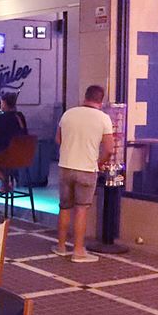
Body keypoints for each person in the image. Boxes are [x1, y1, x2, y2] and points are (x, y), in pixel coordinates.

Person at [55, 84, 114, 263]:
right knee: (81, 209)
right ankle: (78, 250)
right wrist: (99, 162)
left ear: (85, 97)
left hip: (65, 167)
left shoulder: (68, 114)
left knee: (65, 207)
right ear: (101, 100)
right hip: (87, 169)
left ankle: (61, 246)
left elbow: (58, 139)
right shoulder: (103, 119)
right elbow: (109, 149)